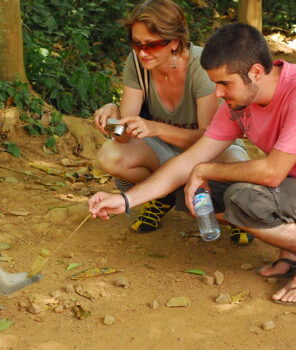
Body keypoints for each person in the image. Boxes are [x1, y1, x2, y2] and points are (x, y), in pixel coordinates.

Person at [89, 23, 296, 305]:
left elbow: (272, 173)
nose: (218, 94)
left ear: (255, 72)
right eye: (215, 83)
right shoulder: (238, 103)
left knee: (244, 198)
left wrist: (205, 170)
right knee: (190, 192)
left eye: (224, 83)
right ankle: (290, 253)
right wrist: (125, 200)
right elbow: (189, 160)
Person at [93, 0, 251, 241]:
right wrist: (114, 119)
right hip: (165, 152)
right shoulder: (136, 63)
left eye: (152, 45)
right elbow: (124, 136)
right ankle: (164, 195)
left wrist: (156, 128)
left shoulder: (201, 65)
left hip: (211, 151)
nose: (142, 52)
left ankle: (232, 212)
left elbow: (209, 138)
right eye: (136, 43)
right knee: (111, 154)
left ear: (175, 41)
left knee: (237, 177)